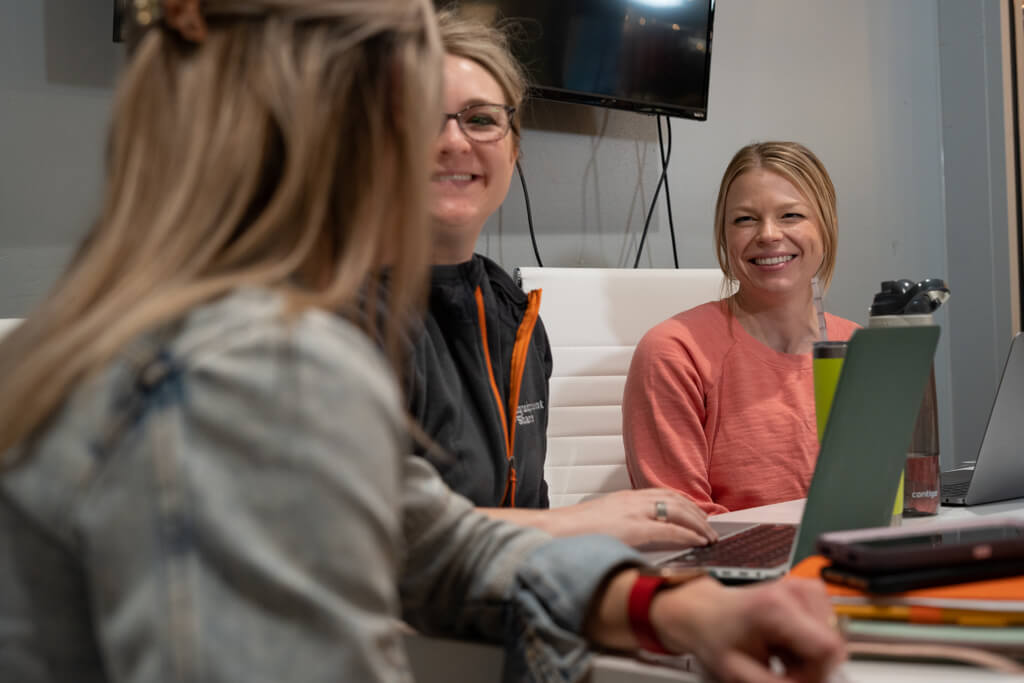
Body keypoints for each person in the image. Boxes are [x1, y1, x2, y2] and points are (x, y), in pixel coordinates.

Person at [0, 4, 844, 682]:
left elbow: (433, 538)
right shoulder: (250, 365)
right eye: (410, 100)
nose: (441, 140)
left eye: (477, 118)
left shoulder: (207, 327)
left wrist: (665, 607)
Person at [409, 10, 716, 549]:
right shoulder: (343, 318)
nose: (455, 141)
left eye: (480, 119)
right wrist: (584, 524)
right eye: (422, 118)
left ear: (514, 149)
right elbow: (378, 542)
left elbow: (530, 515)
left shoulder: (514, 315)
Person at [624, 142, 860, 515]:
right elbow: (682, 524)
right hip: (735, 569)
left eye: (791, 215)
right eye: (745, 219)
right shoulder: (673, 352)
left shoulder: (863, 349)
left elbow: (891, 495)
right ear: (724, 236)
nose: (767, 234)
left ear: (826, 226)